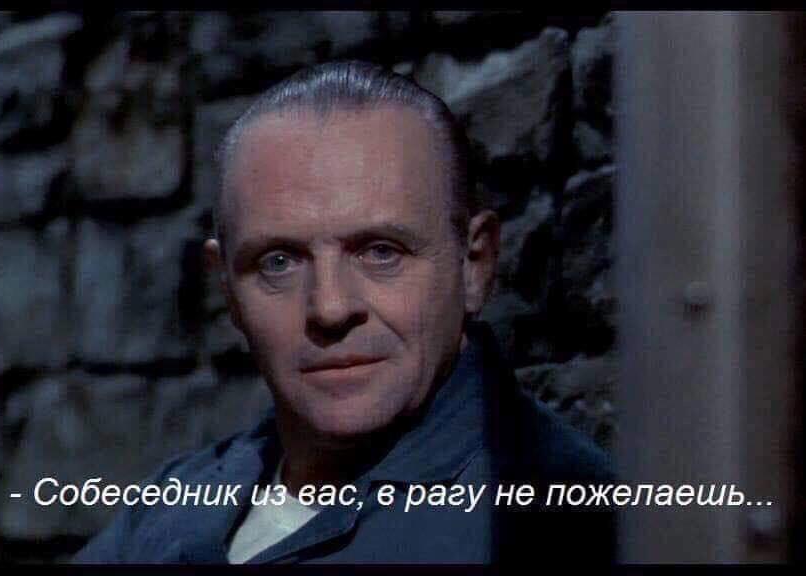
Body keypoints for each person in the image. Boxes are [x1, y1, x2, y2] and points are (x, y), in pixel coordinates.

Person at [73, 60, 615, 564]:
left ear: (474, 264)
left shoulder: (556, 526)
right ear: (226, 288)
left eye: (381, 252)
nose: (330, 308)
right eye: (279, 262)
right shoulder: (172, 505)